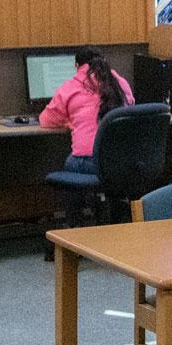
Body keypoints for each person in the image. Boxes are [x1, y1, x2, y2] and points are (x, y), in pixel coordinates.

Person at [39, 48, 134, 223]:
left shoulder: (72, 86)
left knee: (71, 163)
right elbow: (130, 107)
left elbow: (46, 120)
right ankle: (113, 220)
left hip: (90, 161)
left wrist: (69, 120)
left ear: (77, 66)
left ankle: (74, 226)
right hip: (122, 160)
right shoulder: (120, 83)